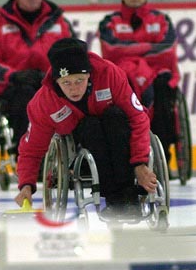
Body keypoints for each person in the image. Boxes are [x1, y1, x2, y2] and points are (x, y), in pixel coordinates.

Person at [14, 37, 156, 216]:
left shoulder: (110, 74)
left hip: (120, 134)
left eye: (79, 80)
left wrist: (140, 164)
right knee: (91, 126)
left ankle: (128, 195)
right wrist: (26, 185)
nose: (74, 89)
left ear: (89, 74)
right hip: (83, 140)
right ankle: (114, 199)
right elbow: (31, 149)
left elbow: (138, 118)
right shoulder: (43, 103)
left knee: (114, 117)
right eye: (66, 83)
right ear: (56, 81)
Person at [0, 0, 76, 145]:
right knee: (27, 98)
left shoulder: (60, 23)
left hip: (53, 84)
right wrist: (13, 76)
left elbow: (75, 55)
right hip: (14, 88)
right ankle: (26, 152)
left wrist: (56, 76)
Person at [98, 0, 179, 147]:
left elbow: (166, 52)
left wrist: (131, 52)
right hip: (122, 77)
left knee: (163, 96)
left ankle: (162, 155)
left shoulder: (162, 20)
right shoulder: (109, 22)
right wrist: (149, 48)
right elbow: (111, 51)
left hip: (157, 75)